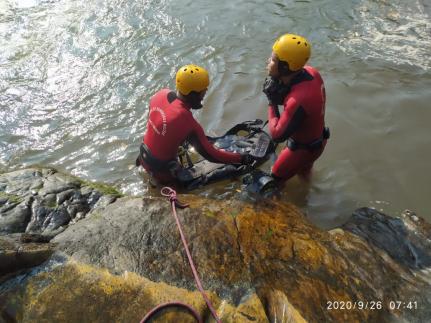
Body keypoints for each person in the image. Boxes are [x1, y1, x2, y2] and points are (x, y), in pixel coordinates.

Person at [136, 64, 255, 184]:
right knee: (228, 170)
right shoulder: (186, 120)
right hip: (163, 173)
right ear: (193, 94)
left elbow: (158, 125)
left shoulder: (160, 94)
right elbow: (212, 155)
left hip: (144, 158)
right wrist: (241, 158)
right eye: (203, 91)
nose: (205, 93)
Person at [263, 33, 329, 182]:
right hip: (318, 141)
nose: (268, 61)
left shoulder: (299, 99)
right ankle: (305, 197)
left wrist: (271, 102)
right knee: (304, 174)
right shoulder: (312, 72)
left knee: (274, 181)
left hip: (301, 150)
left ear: (285, 67)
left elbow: (277, 135)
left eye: (273, 59)